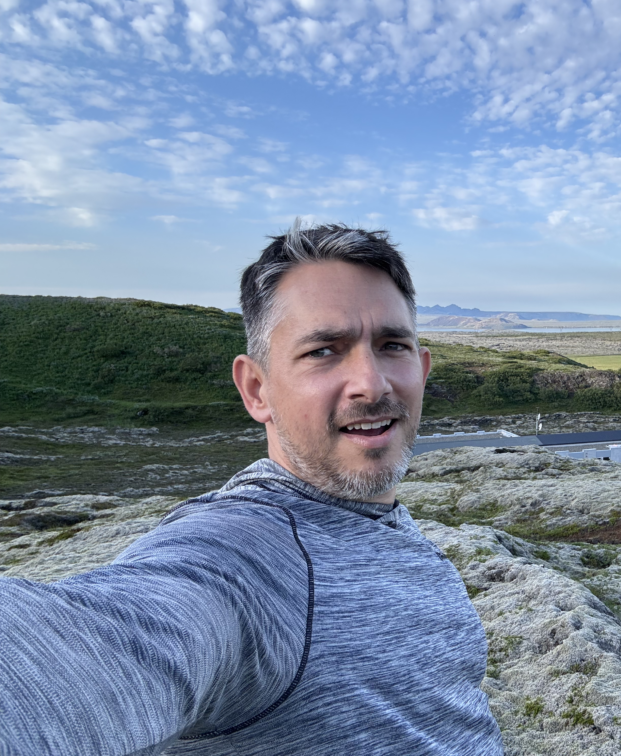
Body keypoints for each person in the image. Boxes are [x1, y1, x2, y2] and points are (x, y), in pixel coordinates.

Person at [0, 222, 505, 755]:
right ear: (256, 389)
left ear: (422, 371)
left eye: (392, 345)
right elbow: (100, 643)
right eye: (323, 351)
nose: (372, 383)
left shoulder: (381, 524)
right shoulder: (246, 556)